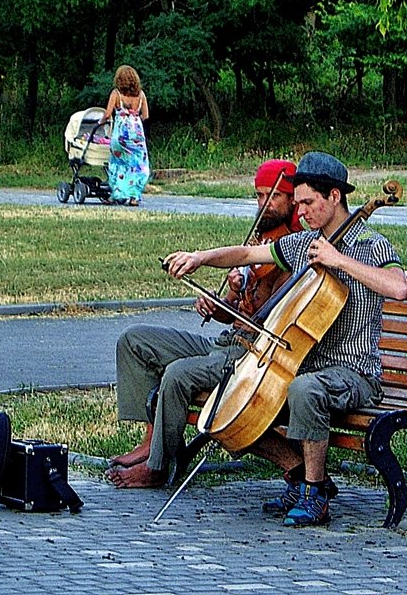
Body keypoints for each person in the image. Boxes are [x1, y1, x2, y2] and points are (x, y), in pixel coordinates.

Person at [162, 152, 407, 526]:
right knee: (238, 403)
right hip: (304, 365)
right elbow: (247, 252)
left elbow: (398, 287)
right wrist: (200, 257)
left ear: (335, 197)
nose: (302, 212)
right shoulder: (304, 243)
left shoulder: (371, 245)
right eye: (298, 204)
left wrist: (339, 261)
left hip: (354, 371)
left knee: (304, 390)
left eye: (309, 202)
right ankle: (300, 474)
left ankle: (314, 496)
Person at [106, 159, 301, 490]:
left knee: (179, 373)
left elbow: (274, 316)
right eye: (257, 195)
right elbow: (239, 311)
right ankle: (151, 439)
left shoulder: (292, 247)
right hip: (228, 340)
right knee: (135, 341)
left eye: (273, 196)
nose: (262, 205)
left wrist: (238, 282)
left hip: (252, 354)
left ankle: (157, 466)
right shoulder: (260, 240)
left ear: (293, 199)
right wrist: (221, 305)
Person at [99, 65, 149, 206]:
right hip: (137, 135)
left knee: (118, 164)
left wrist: (101, 122)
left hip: (120, 135)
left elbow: (108, 114)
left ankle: (116, 195)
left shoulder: (116, 94)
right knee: (137, 164)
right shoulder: (141, 95)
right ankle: (134, 197)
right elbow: (145, 116)